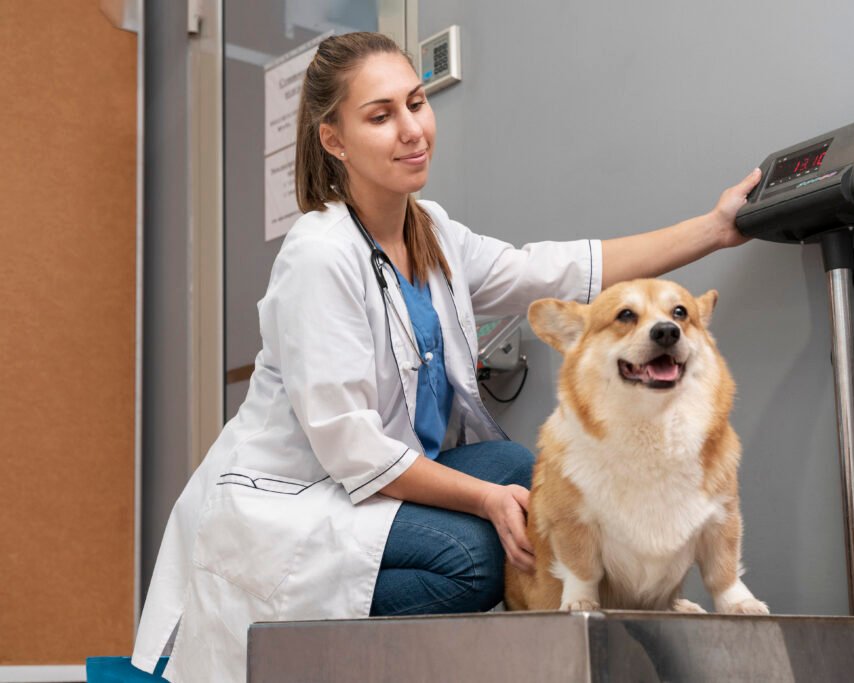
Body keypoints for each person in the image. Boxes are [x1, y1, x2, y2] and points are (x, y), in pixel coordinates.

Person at [131, 31, 761, 683]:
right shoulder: (319, 257)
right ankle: (325, 650)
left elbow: (559, 269)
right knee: (476, 558)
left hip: (384, 479)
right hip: (301, 501)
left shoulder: (428, 231)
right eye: (381, 116)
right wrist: (485, 501)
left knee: (534, 474)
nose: (412, 130)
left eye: (416, 102)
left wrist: (715, 228)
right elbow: (353, 450)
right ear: (334, 139)